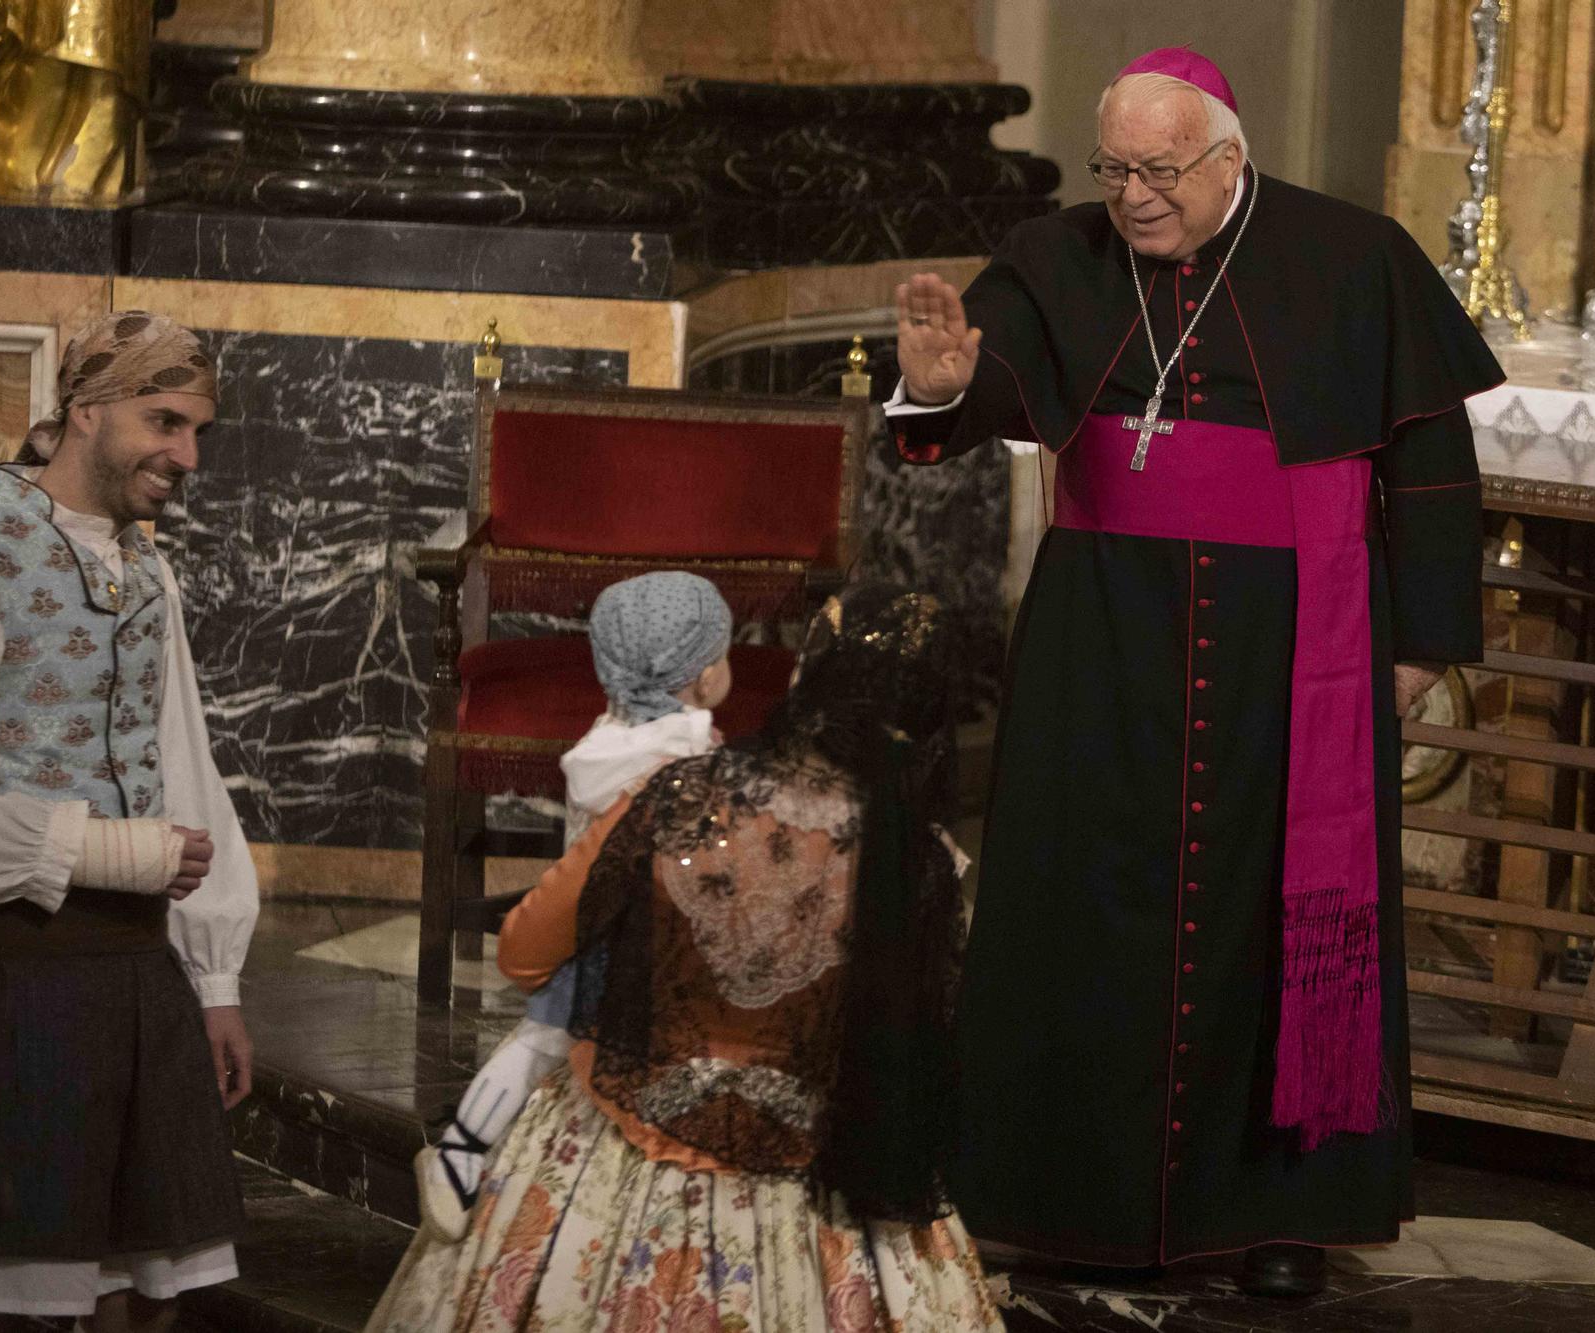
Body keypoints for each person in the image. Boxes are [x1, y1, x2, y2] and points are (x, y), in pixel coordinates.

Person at [886, 48, 1504, 1297]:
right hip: (1099, 629)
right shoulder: (1057, 253)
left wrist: (1418, 646)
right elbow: (982, 382)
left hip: (1296, 634)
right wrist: (933, 386)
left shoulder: (1353, 255)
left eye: (1160, 170)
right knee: (1079, 892)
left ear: (1228, 156)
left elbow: (1430, 463)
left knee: (1272, 912)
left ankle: (1277, 1213)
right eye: (1114, 169)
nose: (1133, 197)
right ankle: (1062, 1198)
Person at [367, 585, 1003, 1332]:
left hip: (627, 1153)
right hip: (829, 1184)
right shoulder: (919, 867)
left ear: (805, 685)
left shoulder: (675, 798)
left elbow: (524, 953)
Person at [0, 311, 259, 1330]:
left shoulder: (148, 569)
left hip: (139, 973)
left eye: (197, 432)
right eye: (164, 420)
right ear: (85, 411)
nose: (185, 455)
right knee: (21, 1298)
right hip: (12, 971)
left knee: (148, 1300)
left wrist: (214, 977)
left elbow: (183, 764)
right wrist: (107, 852)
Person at [416, 570, 734, 1241]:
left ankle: (460, 1149)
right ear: (702, 677)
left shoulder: (607, 738)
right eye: (724, 652)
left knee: (537, 1040)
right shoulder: (688, 757)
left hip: (588, 932)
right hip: (651, 949)